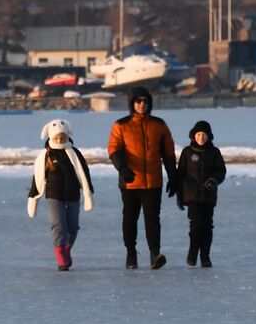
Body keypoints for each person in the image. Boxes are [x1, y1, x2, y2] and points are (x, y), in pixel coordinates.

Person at [108, 86, 177, 270]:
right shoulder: (121, 125)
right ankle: (131, 253)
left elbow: (168, 153)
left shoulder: (159, 125)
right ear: (132, 103)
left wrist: (173, 176)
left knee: (153, 218)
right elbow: (114, 150)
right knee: (130, 218)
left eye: (145, 101)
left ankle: (155, 254)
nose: (142, 104)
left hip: (153, 182)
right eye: (138, 101)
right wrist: (122, 168)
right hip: (130, 182)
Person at [27, 119, 94, 271]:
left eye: (62, 137)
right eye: (57, 138)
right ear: (51, 137)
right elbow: (36, 178)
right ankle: (61, 258)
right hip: (53, 195)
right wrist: (33, 198)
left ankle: (64, 249)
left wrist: (88, 191)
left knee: (73, 228)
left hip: (73, 195)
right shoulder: (45, 155)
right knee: (59, 225)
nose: (60, 140)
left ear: (67, 136)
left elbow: (84, 172)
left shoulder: (74, 153)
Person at [174, 120, 227, 267]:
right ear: (193, 136)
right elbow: (180, 174)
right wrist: (179, 195)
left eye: (204, 134)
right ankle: (192, 254)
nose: (201, 137)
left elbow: (221, 171)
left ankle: (205, 256)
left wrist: (214, 180)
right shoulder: (187, 152)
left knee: (207, 226)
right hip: (192, 197)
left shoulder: (214, 152)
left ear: (209, 136)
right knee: (196, 226)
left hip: (208, 196)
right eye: (198, 134)